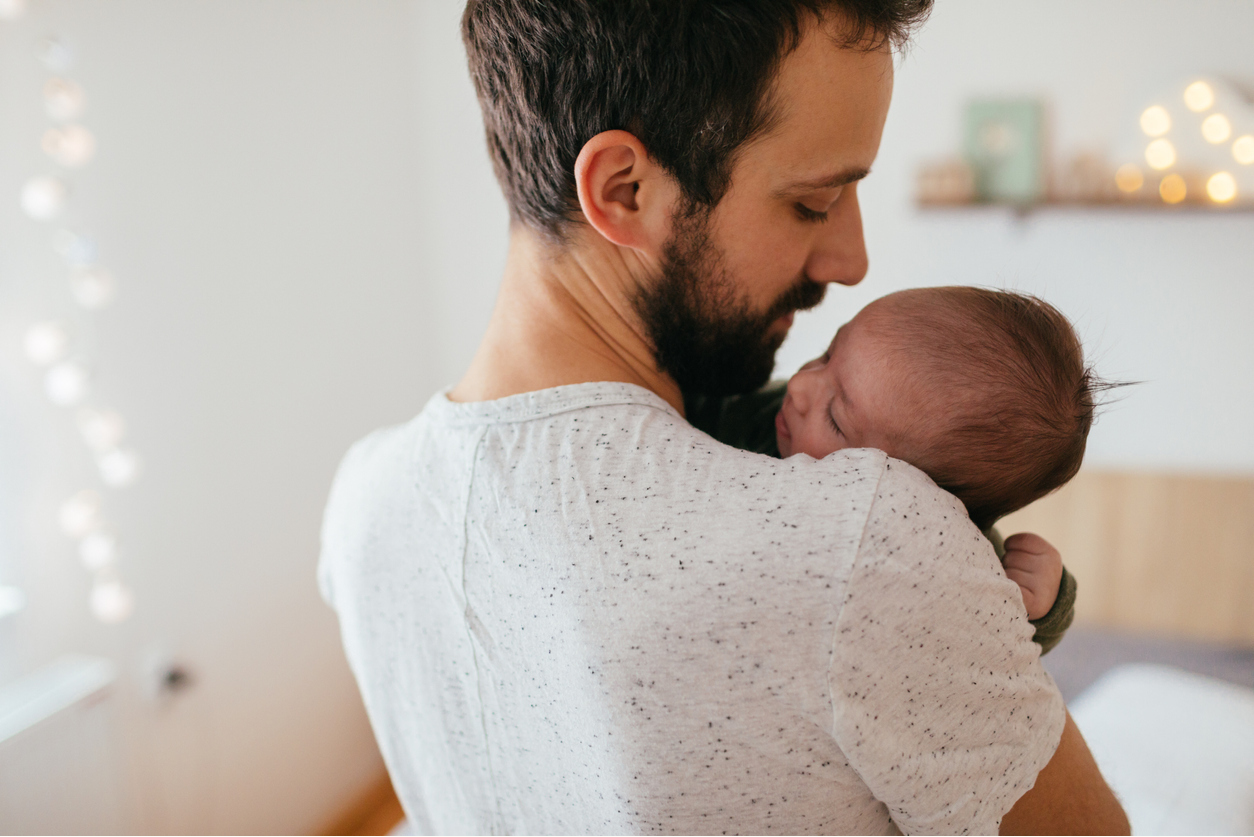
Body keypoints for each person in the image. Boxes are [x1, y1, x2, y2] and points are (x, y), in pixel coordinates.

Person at [319, 2, 1129, 833]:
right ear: (624, 191)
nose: (852, 262)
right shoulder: (868, 533)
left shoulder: (362, 504)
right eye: (813, 203)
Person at [688, 285, 1110, 651]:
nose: (799, 386)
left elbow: (990, 646)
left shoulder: (944, 545)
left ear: (918, 499)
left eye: (835, 417)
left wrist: (1043, 607)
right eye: (826, 355)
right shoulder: (758, 412)